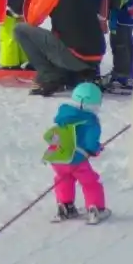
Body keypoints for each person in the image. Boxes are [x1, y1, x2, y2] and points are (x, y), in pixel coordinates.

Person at [14, 0, 108, 96]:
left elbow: (32, 20)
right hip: (95, 54)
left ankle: (49, 75)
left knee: (21, 29)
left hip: (76, 55)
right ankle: (77, 73)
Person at [43, 82, 110, 223]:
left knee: (63, 179)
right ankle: (96, 208)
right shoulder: (91, 121)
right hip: (77, 160)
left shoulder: (64, 115)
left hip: (58, 157)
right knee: (90, 182)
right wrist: (96, 149)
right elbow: (91, 143)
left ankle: (65, 206)